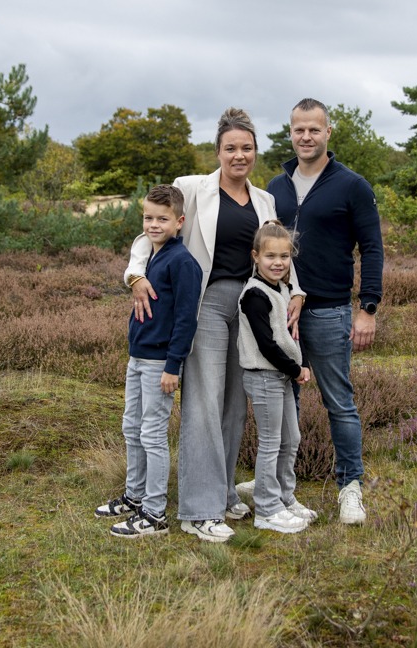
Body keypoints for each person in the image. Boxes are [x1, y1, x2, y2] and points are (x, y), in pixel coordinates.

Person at [126, 108, 301, 543]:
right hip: (204, 303)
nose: (238, 156)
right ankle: (198, 510)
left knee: (233, 406)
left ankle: (223, 494)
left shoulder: (265, 201)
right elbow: (151, 229)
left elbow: (273, 251)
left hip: (247, 307)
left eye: (247, 148)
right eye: (230, 148)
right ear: (218, 151)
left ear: (255, 152)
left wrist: (295, 290)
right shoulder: (192, 188)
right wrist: (135, 275)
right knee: (203, 401)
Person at [266, 97, 383, 526]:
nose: (306, 137)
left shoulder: (352, 185)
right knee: (284, 401)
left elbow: (372, 248)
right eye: (299, 129)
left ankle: (350, 489)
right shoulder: (274, 189)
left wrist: (367, 307)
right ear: (291, 131)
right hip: (283, 313)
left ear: (328, 132)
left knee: (340, 404)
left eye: (314, 129)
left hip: (331, 311)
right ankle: (279, 486)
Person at [96, 185, 201, 538]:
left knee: (153, 434)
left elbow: (187, 319)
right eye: (148, 218)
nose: (154, 224)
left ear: (179, 221)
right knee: (132, 428)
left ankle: (155, 514)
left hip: (160, 363)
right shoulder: (149, 257)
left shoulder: (183, 262)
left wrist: (174, 365)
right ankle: (135, 495)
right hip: (137, 357)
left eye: (162, 218)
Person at [237, 220, 317, 534]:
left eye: (284, 257)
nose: (278, 262)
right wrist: (295, 369)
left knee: (291, 439)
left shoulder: (282, 288)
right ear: (256, 256)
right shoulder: (255, 295)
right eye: (270, 256)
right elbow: (266, 344)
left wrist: (303, 363)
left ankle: (285, 497)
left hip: (281, 376)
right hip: (265, 376)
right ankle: (267, 509)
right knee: (270, 444)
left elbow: (289, 334)